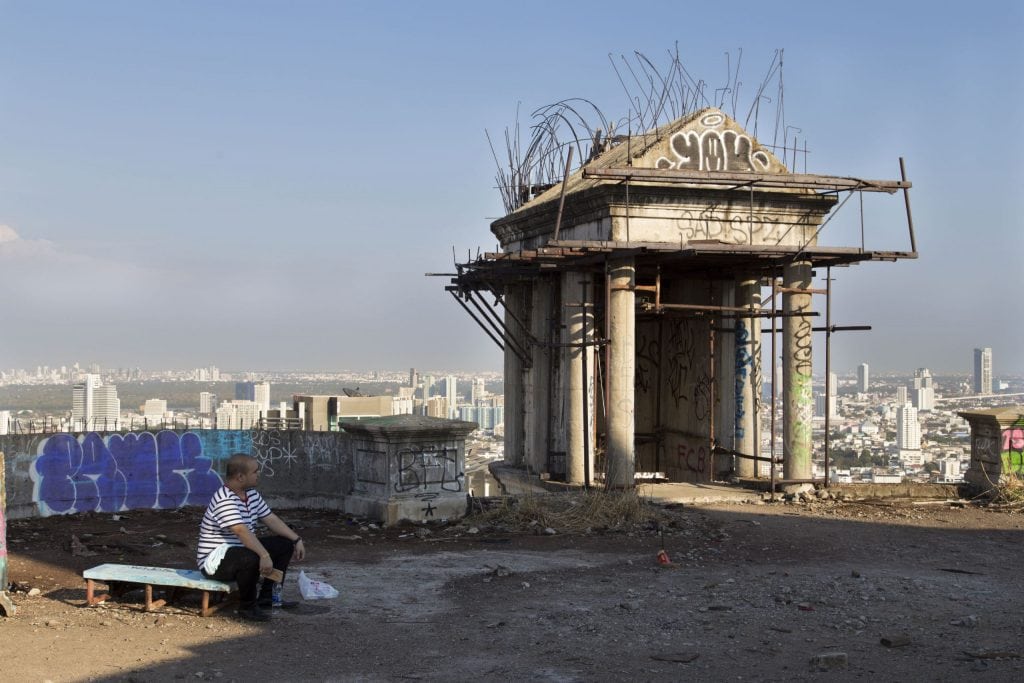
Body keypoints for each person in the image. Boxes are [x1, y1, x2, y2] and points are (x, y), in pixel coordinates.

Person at [196, 453, 306, 621]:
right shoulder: (224, 498)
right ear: (240, 477)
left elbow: (270, 519)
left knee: (284, 545)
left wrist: (296, 539)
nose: (258, 475)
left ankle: (267, 598)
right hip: (214, 562)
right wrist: (264, 555)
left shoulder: (251, 495)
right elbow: (241, 531)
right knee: (250, 556)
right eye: (255, 472)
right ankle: (247, 607)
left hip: (238, 551)